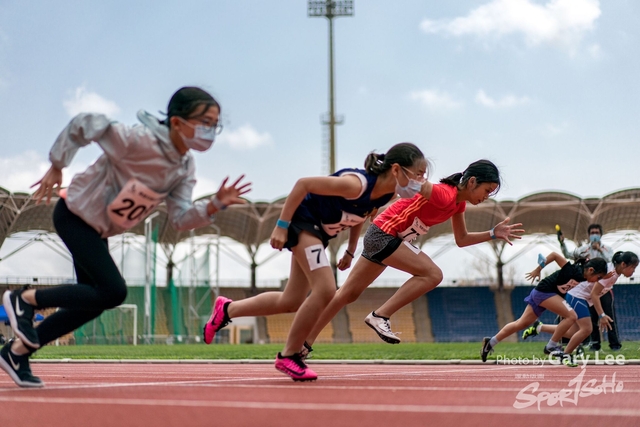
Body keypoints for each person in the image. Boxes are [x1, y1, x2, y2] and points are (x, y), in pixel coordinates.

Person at [0, 87, 251, 388]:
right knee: (113, 291)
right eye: (204, 122)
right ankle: (25, 298)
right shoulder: (137, 140)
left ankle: (17, 352)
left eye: (215, 124)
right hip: (74, 214)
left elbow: (181, 218)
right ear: (177, 122)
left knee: (93, 302)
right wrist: (57, 164)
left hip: (98, 228)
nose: (209, 131)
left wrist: (213, 205)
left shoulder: (184, 168)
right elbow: (86, 122)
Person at [203, 142, 427, 381]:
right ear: (396, 170)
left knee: (291, 300)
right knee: (326, 289)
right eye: (418, 174)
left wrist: (351, 251)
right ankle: (289, 355)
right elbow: (303, 184)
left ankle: (227, 309)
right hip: (302, 226)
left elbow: (360, 216)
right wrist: (281, 226)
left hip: (318, 235)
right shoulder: (355, 184)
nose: (421, 181)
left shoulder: (386, 194)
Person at [302, 159, 524, 354]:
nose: (487, 197)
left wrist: (493, 233)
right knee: (433, 274)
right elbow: (410, 184)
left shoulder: (457, 205)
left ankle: (303, 344)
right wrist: (387, 181)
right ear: (473, 181)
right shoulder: (444, 193)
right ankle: (380, 316)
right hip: (384, 235)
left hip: (384, 236)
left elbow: (462, 239)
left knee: (346, 294)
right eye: (487, 190)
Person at [481, 252, 608, 367]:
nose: (597, 281)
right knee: (572, 316)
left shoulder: (584, 276)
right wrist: (538, 269)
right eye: (598, 278)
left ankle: (490, 342)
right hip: (544, 292)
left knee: (521, 323)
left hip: (541, 294)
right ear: (591, 270)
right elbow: (554, 255)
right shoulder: (573, 270)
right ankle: (551, 346)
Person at [522, 251, 638, 359]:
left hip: (581, 298)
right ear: (623, 264)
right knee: (587, 329)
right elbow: (594, 294)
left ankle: (539, 327)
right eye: (633, 267)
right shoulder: (610, 273)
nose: (634, 271)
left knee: (572, 332)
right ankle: (565, 355)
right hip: (577, 296)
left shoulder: (614, 273)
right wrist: (601, 315)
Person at [558, 223, 620, 350]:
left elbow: (612, 263)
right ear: (589, 235)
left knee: (609, 315)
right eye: (592, 233)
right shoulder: (584, 249)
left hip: (604, 287)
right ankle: (595, 344)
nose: (594, 235)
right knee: (591, 317)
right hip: (588, 288)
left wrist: (600, 250)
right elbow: (569, 255)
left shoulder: (607, 249)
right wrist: (562, 243)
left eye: (597, 232)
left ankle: (614, 344)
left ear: (601, 234)